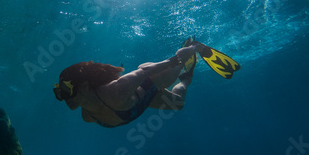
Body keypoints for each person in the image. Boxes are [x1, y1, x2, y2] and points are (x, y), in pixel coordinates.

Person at [53, 38, 240, 128]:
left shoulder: (114, 91)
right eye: (58, 92)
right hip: (141, 102)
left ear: (84, 86)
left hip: (149, 82)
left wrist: (176, 61)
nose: (63, 98)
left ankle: (194, 47)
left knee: (175, 68)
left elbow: (145, 72)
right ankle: (188, 77)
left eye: (65, 90)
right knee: (178, 104)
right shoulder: (87, 115)